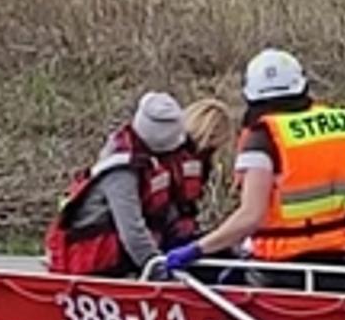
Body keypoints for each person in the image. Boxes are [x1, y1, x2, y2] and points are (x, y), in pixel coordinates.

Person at [160, 49, 345, 287]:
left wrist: (198, 249)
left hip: (283, 271)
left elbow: (250, 216)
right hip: (344, 260)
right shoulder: (340, 123)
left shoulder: (263, 138)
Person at [45, 92, 223, 278]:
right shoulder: (121, 172)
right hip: (100, 266)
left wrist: (194, 245)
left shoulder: (157, 162)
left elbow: (167, 212)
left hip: (141, 255)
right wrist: (161, 273)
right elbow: (132, 231)